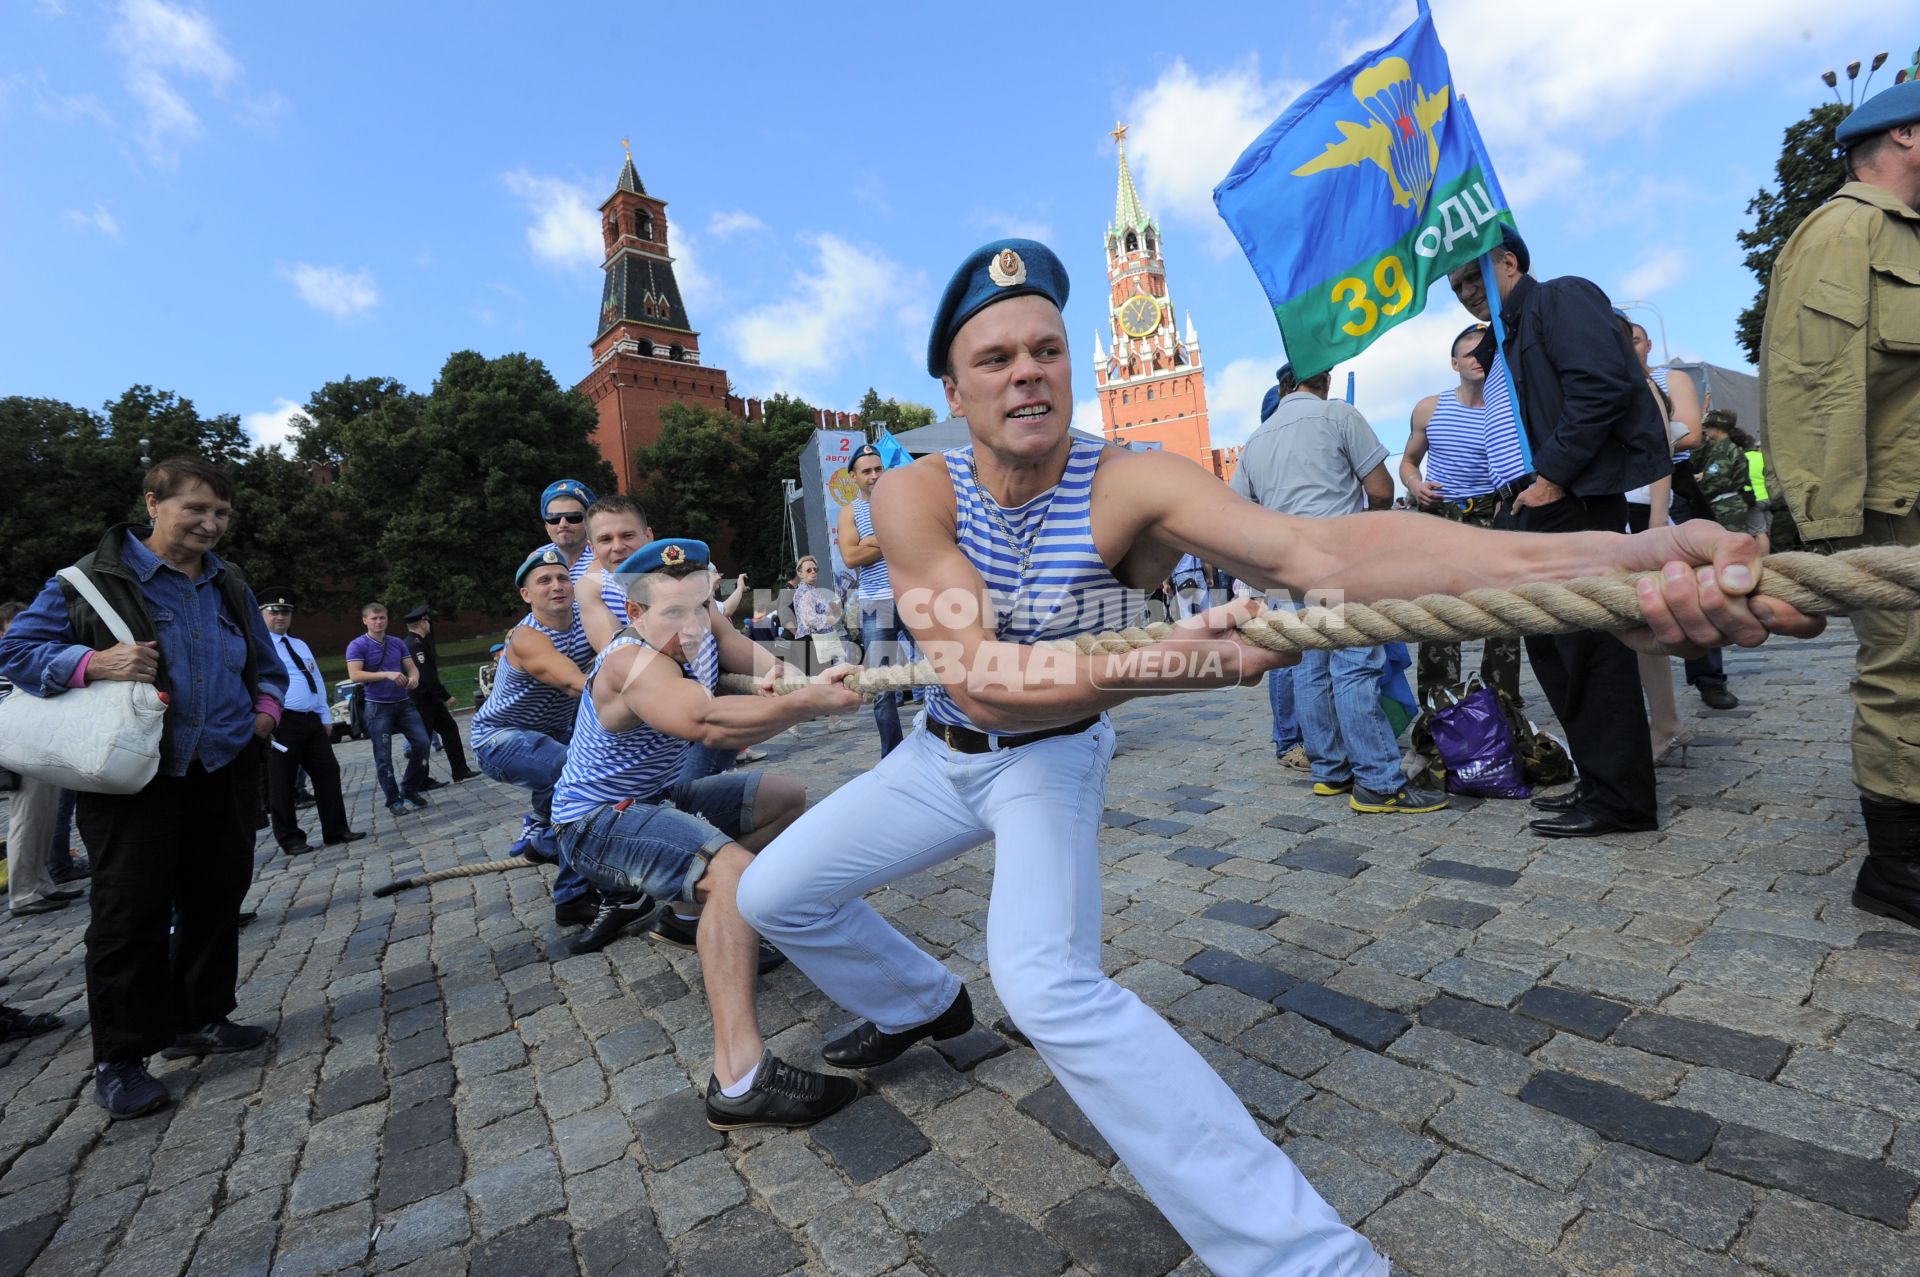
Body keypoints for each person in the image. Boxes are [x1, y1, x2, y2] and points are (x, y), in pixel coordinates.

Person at [734, 239, 1811, 1277]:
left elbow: (1331, 551)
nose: (1027, 375)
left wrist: (1626, 555)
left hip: (1046, 762)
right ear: (954, 391)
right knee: (777, 889)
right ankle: (921, 999)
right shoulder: (911, 491)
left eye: (1046, 350)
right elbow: (970, 675)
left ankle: (1314, 1260)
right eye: (996, 358)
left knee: (1045, 979)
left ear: (1074, 364)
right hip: (942, 750)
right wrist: (1170, 661)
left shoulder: (1131, 479)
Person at [0, 455, 290, 1120]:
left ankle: (200, 1018)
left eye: (220, 512)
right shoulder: (89, 579)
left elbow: (265, 665)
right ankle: (121, 1056)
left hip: (220, 761)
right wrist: (91, 662)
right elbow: (15, 654)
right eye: (196, 508)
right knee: (129, 913)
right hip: (133, 772)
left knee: (217, 894)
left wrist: (265, 713)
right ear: (153, 502)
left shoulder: (230, 582)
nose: (211, 523)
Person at [549, 538, 865, 1126]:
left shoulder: (704, 629)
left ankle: (693, 913)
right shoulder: (628, 662)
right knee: (732, 876)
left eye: (702, 606)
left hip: (655, 800)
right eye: (673, 612)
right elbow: (707, 722)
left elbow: (767, 663)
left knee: (785, 796)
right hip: (595, 824)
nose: (692, 623)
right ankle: (741, 1079)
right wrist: (812, 705)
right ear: (638, 614)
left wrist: (801, 680)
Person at [1448, 227, 1672, 837]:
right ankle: (1597, 784)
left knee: (1592, 652)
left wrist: (1551, 477)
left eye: (1475, 276)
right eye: (1458, 285)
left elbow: (1601, 386)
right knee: (1555, 655)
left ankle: (1621, 799)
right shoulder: (1504, 339)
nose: (1467, 291)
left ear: (1511, 262)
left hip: (1566, 501)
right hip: (1525, 508)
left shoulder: (1560, 298)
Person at [1763, 78, 1920, 929]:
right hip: (1892, 502)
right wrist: (1832, 528)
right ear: (1903, 137)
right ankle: (1898, 864)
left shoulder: (1902, 233)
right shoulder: (1845, 229)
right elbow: (1813, 382)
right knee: (1906, 670)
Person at [1234, 362, 1448, 815]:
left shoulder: (1256, 441)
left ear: (1283, 386)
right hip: (1338, 559)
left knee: (1310, 667)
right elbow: (1381, 488)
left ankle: (1330, 772)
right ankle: (1377, 781)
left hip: (1291, 568)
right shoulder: (1337, 415)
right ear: (1324, 380)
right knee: (1354, 665)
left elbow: (1240, 511)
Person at [1400, 324, 1527, 706]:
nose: (1478, 359)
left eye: (1485, 352)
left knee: (1504, 607)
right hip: (1444, 516)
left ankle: (1501, 697)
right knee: (1439, 609)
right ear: (1455, 363)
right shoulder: (1430, 408)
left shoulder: (1510, 409)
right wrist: (1414, 485)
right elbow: (1408, 462)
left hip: (1494, 513)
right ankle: (1438, 699)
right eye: (1470, 353)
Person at [470, 548, 599, 925]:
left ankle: (543, 837)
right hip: (501, 740)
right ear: (526, 595)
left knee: (567, 765)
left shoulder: (586, 620)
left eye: (562, 578)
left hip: (555, 735)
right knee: (578, 781)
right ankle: (572, 897)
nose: (556, 586)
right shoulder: (527, 638)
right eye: (544, 581)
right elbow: (575, 683)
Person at [1626, 324, 1736, 712]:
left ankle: (1709, 676)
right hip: (1619, 493)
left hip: (1673, 489)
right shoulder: (1605, 380)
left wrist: (1635, 439)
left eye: (1634, 339)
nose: (1627, 345)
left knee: (1692, 576)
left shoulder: (1668, 378)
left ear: (1648, 344)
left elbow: (1687, 435)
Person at [258, 587, 365, 854]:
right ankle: (291, 839)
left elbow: (315, 679)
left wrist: (324, 715)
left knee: (328, 771)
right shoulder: (256, 645)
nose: (280, 617)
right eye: (274, 612)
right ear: (260, 613)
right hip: (280, 721)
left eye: (286, 612)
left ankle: (336, 830)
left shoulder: (299, 644)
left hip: (310, 720)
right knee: (281, 782)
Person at [1, 602, 87, 917]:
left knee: (45, 817)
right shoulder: (9, 660)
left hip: (38, 744)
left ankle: (42, 883)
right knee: (27, 819)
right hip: (19, 748)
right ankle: (23, 893)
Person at [838, 443, 911, 757]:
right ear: (853, 476)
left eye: (878, 469)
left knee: (940, 671)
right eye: (866, 471)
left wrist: (871, 539)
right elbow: (851, 557)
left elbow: (921, 537)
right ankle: (892, 756)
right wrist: (892, 535)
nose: (874, 475)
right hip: (875, 602)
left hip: (911, 594)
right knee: (881, 689)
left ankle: (943, 741)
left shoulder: (903, 501)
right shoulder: (849, 511)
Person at [346, 602, 431, 818]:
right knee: (383, 756)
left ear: (387, 619)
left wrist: (414, 679)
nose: (378, 622)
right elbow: (355, 675)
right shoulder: (357, 645)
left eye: (382, 618)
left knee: (422, 743)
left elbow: (412, 667)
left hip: (403, 702)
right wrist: (386, 674)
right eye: (373, 618)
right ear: (365, 620)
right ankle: (393, 800)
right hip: (377, 706)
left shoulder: (396, 643)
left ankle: (409, 788)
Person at [403, 604, 477, 785]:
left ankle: (460, 769)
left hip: (429, 700)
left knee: (449, 730)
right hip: (423, 700)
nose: (429, 624)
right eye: (427, 621)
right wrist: (445, 695)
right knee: (423, 740)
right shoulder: (415, 645)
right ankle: (419, 779)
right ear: (422, 623)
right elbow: (427, 676)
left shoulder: (415, 643)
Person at [1693, 410, 1755, 533]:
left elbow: (1716, 481)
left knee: (1730, 546)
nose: (1707, 431)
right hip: (1731, 504)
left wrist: (1698, 496)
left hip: (1725, 507)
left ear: (1718, 428)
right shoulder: (1729, 448)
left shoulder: (1722, 450)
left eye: (1709, 427)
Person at [790, 555, 845, 674]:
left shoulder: (813, 591)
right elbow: (810, 619)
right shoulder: (803, 591)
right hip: (810, 641)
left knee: (825, 679)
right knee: (819, 681)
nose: (813, 572)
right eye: (808, 570)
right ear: (800, 574)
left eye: (815, 569)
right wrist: (830, 618)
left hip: (819, 641)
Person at [536, 478, 599, 582]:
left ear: (589, 523)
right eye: (554, 519)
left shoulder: (604, 556)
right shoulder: (537, 558)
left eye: (573, 517)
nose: (563, 524)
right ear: (547, 527)